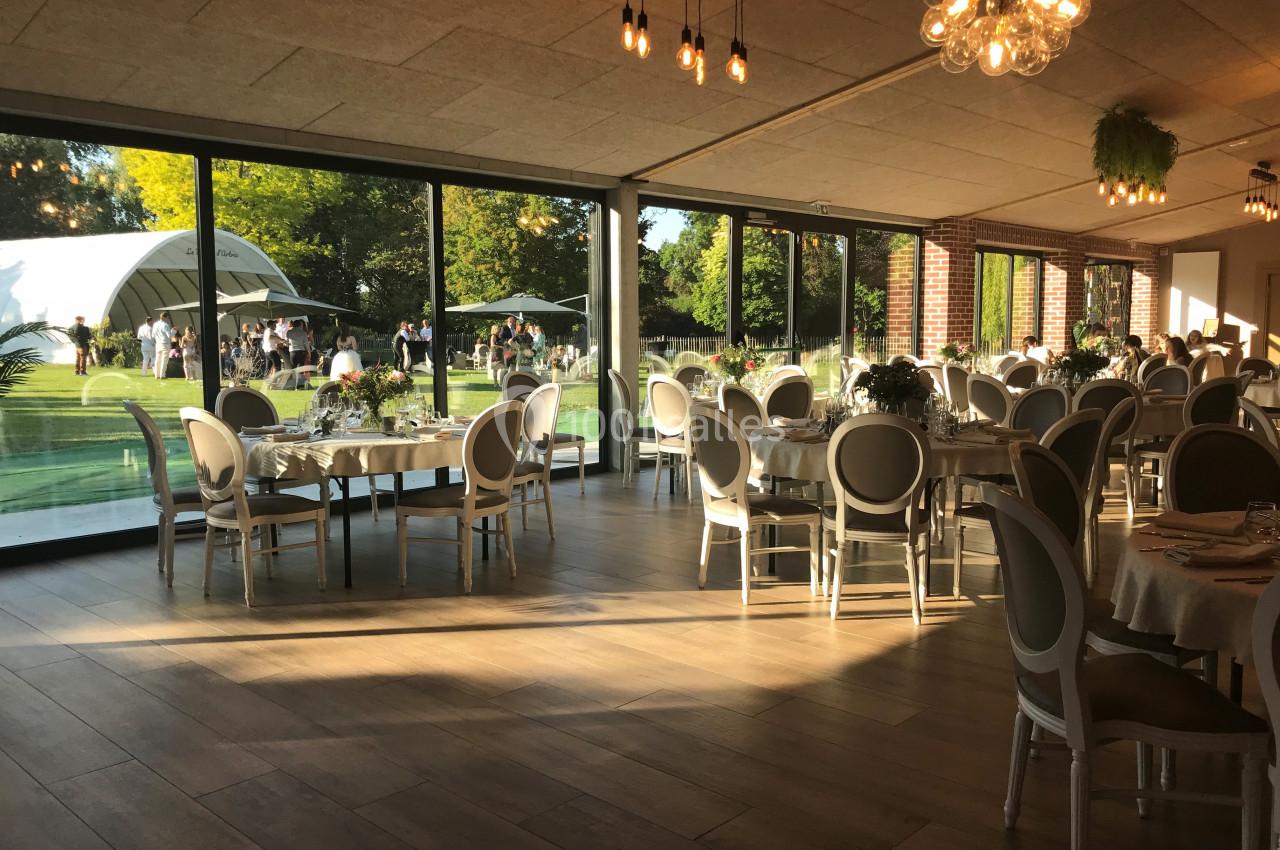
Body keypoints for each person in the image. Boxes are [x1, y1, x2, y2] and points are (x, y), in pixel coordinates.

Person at [151, 311, 172, 379]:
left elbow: (153, 335)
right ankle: (162, 375)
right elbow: (169, 335)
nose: (167, 319)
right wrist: (174, 331)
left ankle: (157, 375)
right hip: (165, 343)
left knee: (158, 360)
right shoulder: (165, 325)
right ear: (164, 317)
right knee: (164, 360)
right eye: (166, 318)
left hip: (158, 343)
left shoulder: (155, 324)